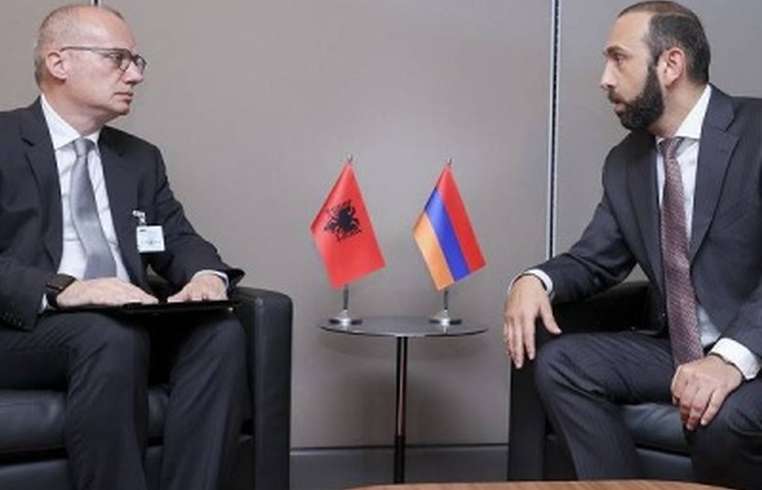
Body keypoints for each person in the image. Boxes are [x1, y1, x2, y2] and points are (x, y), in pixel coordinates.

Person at [504, 2, 762, 489]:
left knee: (722, 418)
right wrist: (534, 280)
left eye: (618, 59)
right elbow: (594, 260)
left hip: (754, 348)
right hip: (679, 349)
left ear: (671, 64)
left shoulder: (756, 133)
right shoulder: (626, 162)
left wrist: (730, 359)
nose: (604, 79)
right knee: (561, 365)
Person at [0, 5, 247, 490]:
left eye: (137, 61)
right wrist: (66, 289)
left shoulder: (139, 159)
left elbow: (177, 237)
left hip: (125, 324)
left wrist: (205, 275)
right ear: (59, 62)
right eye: (118, 59)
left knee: (221, 334)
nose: (135, 75)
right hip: (26, 327)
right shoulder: (4, 141)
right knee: (108, 335)